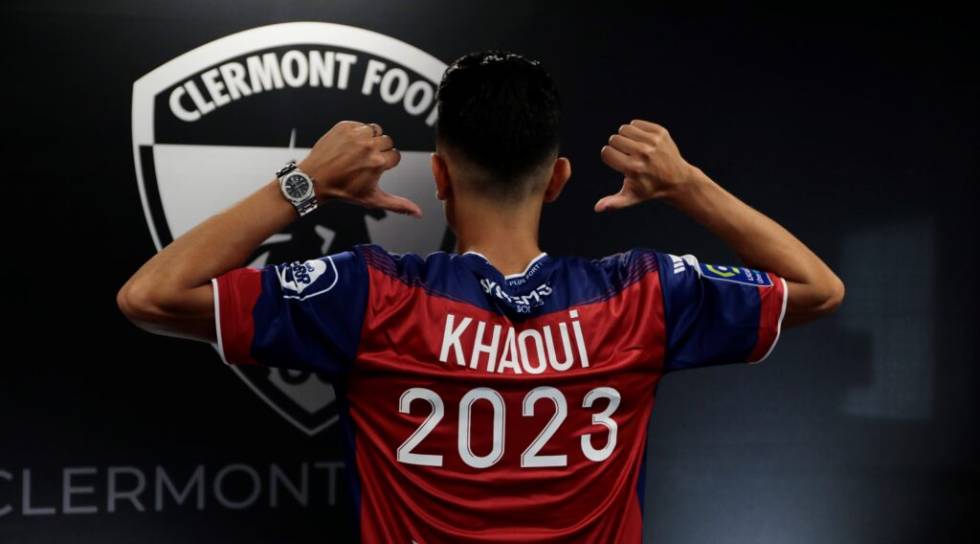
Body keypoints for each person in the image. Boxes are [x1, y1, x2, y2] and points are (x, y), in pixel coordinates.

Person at [117, 49, 844, 543]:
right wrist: (686, 185)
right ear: (558, 180)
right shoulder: (642, 295)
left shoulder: (370, 295)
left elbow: (152, 295)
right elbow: (817, 289)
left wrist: (305, 184)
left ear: (438, 177)